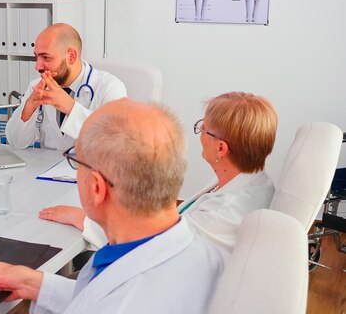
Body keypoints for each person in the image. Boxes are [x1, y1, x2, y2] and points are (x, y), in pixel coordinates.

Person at [0, 99, 227, 313]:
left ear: (97, 187)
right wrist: (35, 283)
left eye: (76, 160)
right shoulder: (198, 252)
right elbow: (96, 295)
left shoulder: (126, 302)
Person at [40, 91, 277, 252]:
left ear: (221, 148)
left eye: (203, 129)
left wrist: (83, 218)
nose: (200, 135)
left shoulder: (223, 213)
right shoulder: (251, 182)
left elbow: (153, 250)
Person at [5, 23, 126, 151]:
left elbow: (114, 144)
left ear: (71, 56)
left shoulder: (110, 87)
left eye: (46, 57)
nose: (38, 66)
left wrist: (69, 107)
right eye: (37, 57)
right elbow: (16, 143)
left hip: (88, 169)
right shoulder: (36, 87)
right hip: (47, 168)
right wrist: (28, 108)